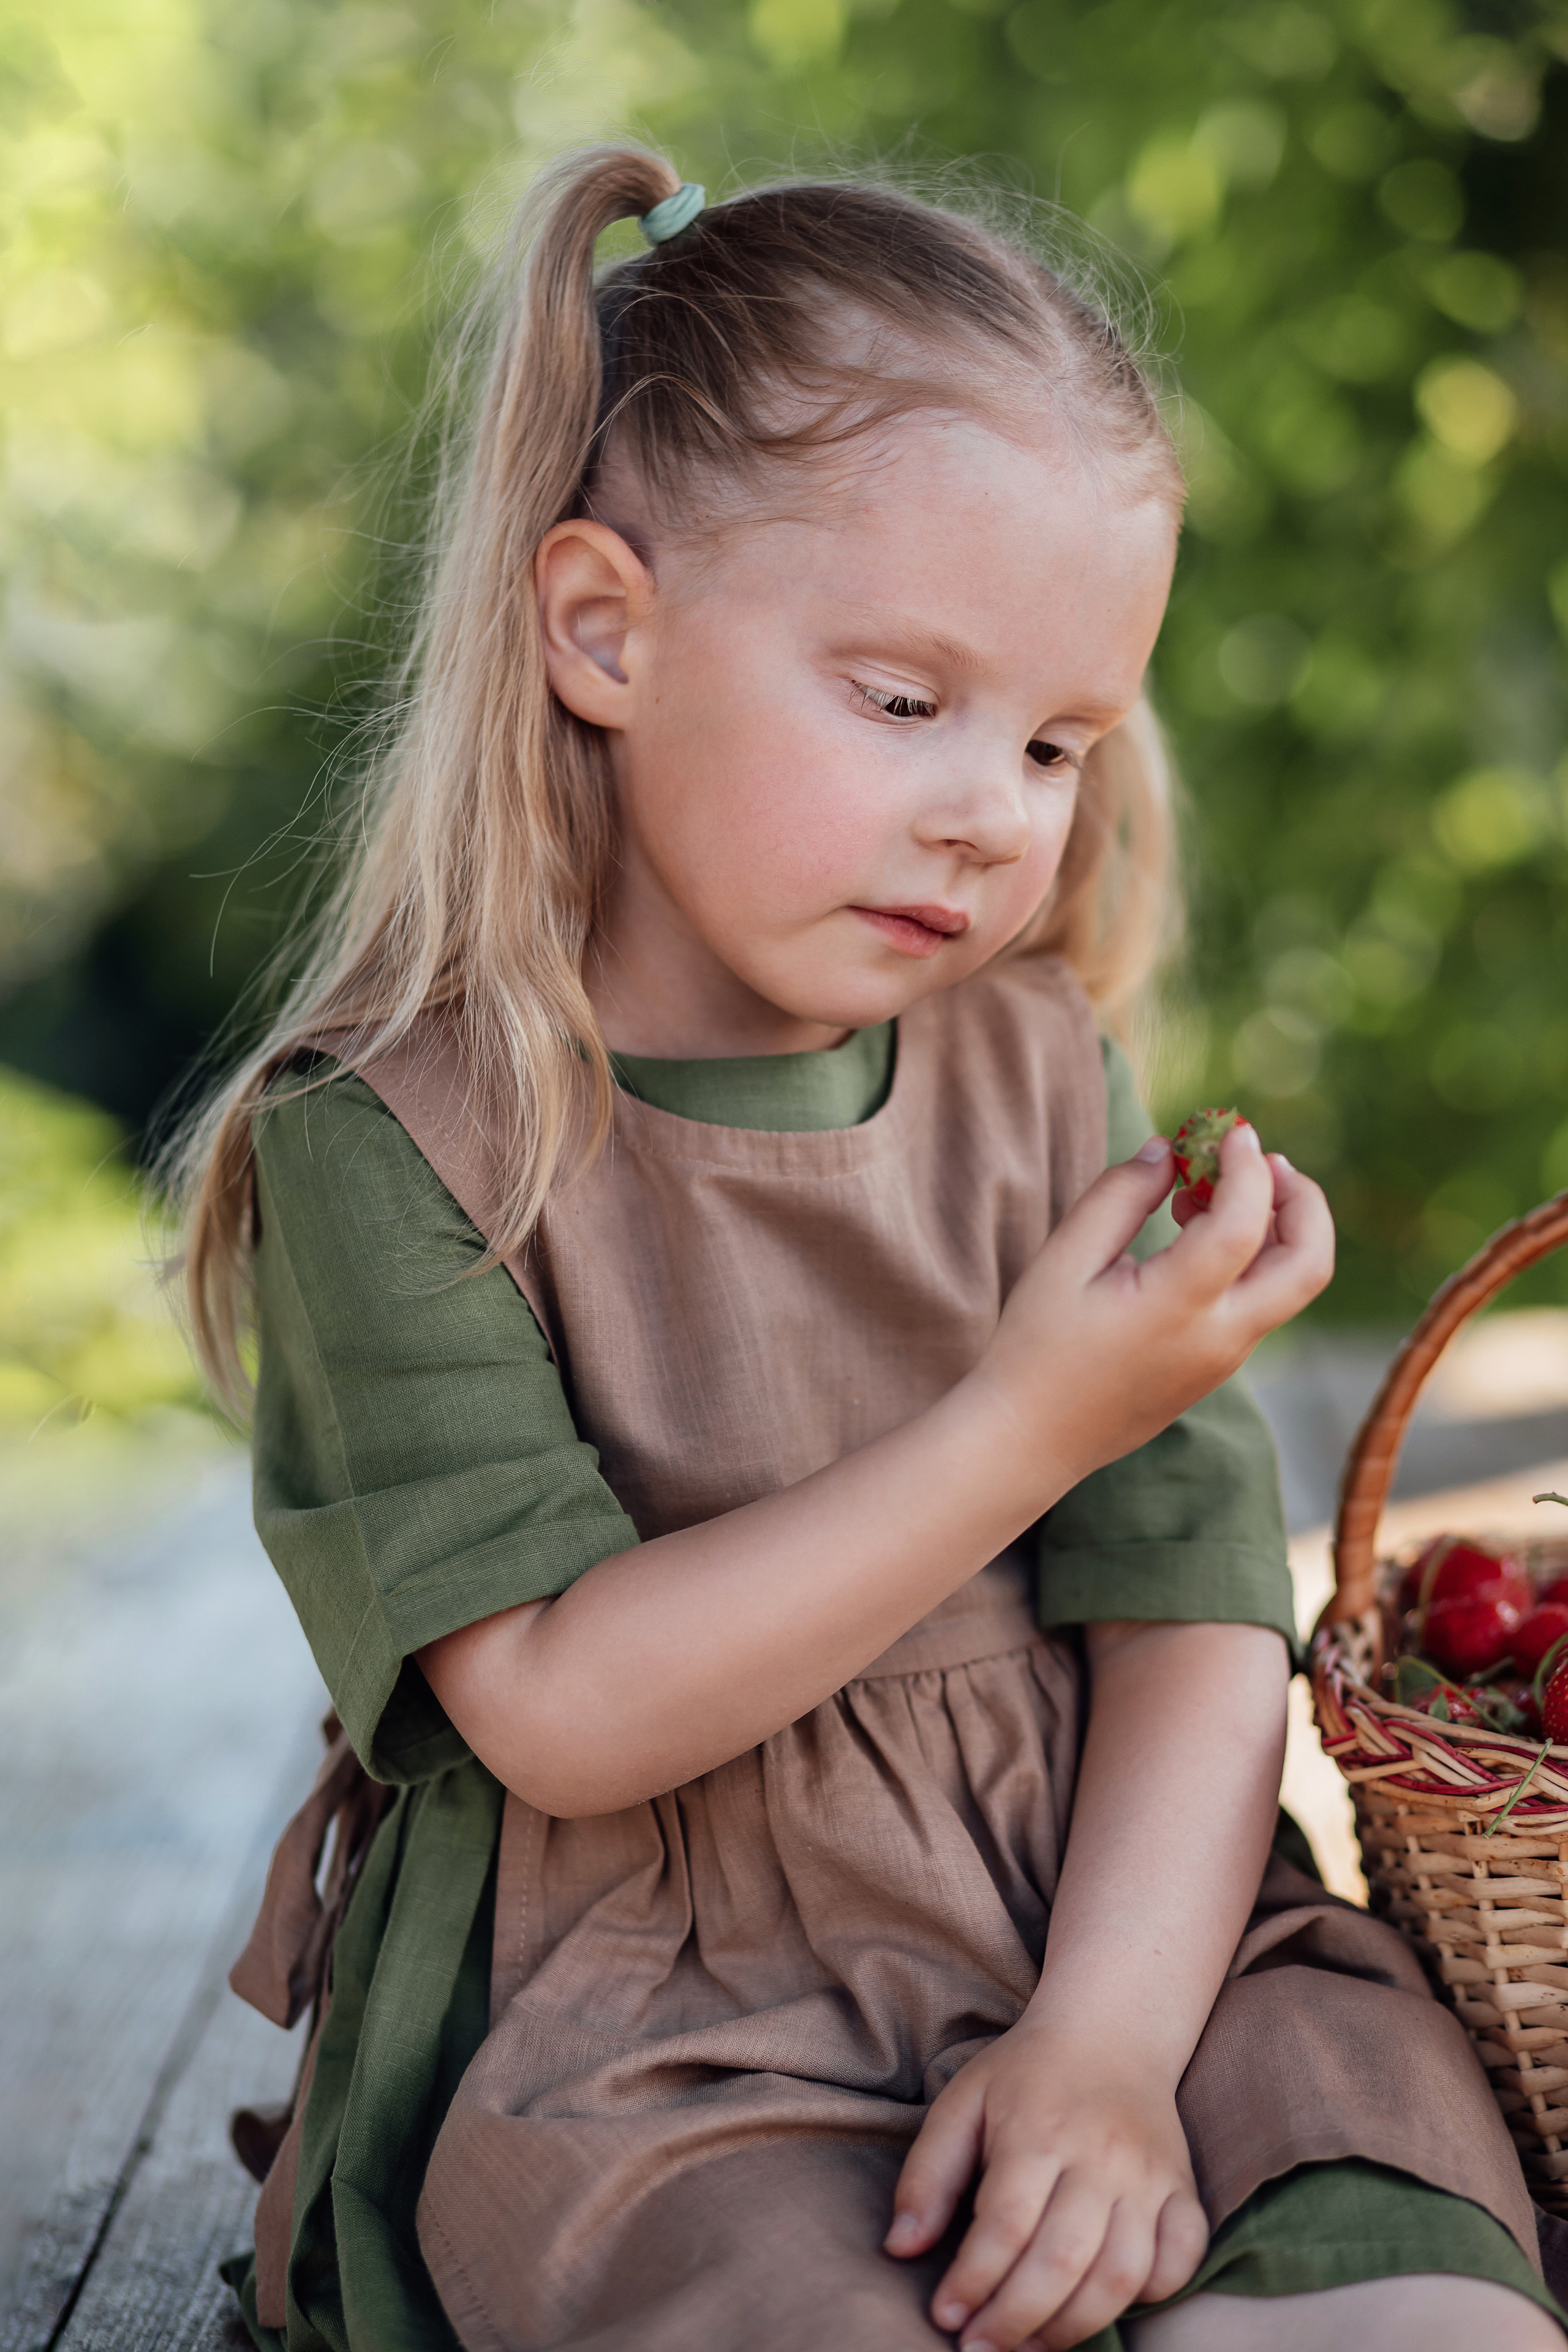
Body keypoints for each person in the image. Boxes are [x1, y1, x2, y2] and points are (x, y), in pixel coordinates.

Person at [172, 147, 1566, 2352]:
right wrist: (1028, 1421)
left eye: (1054, 741)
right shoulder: (404, 1142)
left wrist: (1106, 2049)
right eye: (905, 704)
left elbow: (1193, 1620)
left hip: (1115, 1913)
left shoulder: (1045, 1080)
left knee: (1416, 2308)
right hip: (657, 2018)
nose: (991, 811)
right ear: (603, 631)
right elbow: (560, 1712)